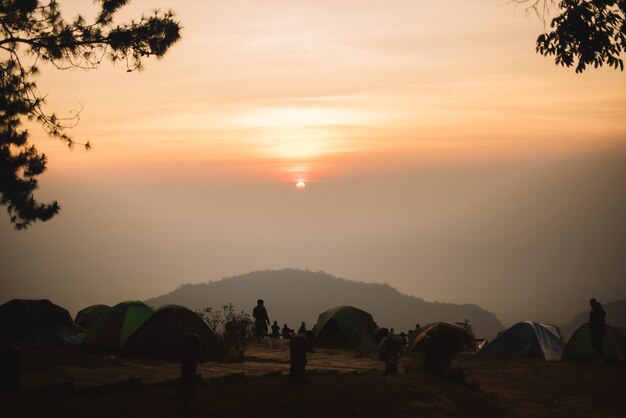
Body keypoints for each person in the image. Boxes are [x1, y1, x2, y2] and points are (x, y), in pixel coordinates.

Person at [589, 298, 606, 364]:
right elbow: (591, 322)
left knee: (600, 345)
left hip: (598, 331)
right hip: (593, 331)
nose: (591, 304)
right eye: (590, 303)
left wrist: (602, 329)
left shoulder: (599, 311)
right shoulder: (592, 312)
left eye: (592, 303)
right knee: (595, 345)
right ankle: (596, 359)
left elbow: (602, 319)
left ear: (594, 303)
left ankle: (601, 359)